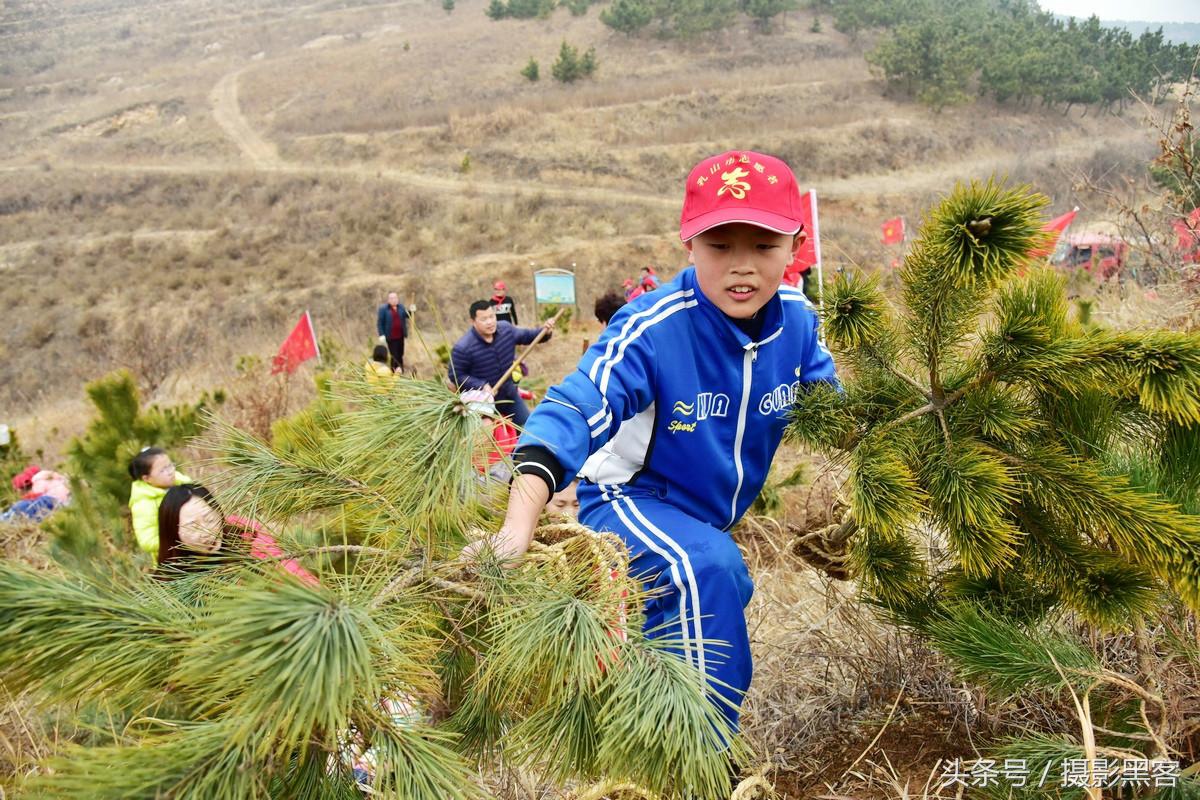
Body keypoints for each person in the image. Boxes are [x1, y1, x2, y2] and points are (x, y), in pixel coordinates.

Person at [472, 150, 839, 732]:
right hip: (626, 500)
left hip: (706, 515)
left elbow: (837, 409)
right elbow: (571, 407)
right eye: (720, 246)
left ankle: (639, 707)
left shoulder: (797, 321)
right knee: (708, 571)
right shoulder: (654, 327)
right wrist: (516, 529)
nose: (741, 268)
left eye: (764, 247)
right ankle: (702, 762)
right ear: (688, 246)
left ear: (795, 248)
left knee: (722, 580)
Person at [157, 483, 317, 585]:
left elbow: (292, 573)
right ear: (173, 533)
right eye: (193, 526)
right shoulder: (172, 579)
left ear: (219, 513)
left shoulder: (248, 539)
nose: (206, 531)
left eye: (209, 519)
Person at [448, 301, 554, 427]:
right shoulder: (463, 347)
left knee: (527, 428)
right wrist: (481, 385)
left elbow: (528, 336)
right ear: (473, 321)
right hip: (483, 401)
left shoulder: (506, 330)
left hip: (509, 394)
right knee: (488, 438)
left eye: (492, 316)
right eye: (484, 319)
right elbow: (456, 376)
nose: (490, 322)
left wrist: (545, 331)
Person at [128, 447, 191, 556]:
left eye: (170, 465)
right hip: (176, 559)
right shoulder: (144, 504)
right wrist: (180, 537)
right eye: (163, 470)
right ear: (146, 478)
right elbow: (147, 541)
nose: (171, 472)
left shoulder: (181, 481)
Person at [376, 292, 410, 373]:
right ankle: (393, 371)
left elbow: (407, 315)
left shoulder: (401, 307)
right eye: (391, 298)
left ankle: (401, 371)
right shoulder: (384, 309)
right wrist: (381, 334)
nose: (394, 300)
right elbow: (380, 322)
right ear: (388, 300)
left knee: (400, 354)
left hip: (400, 336)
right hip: (391, 337)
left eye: (395, 298)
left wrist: (411, 310)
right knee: (394, 355)